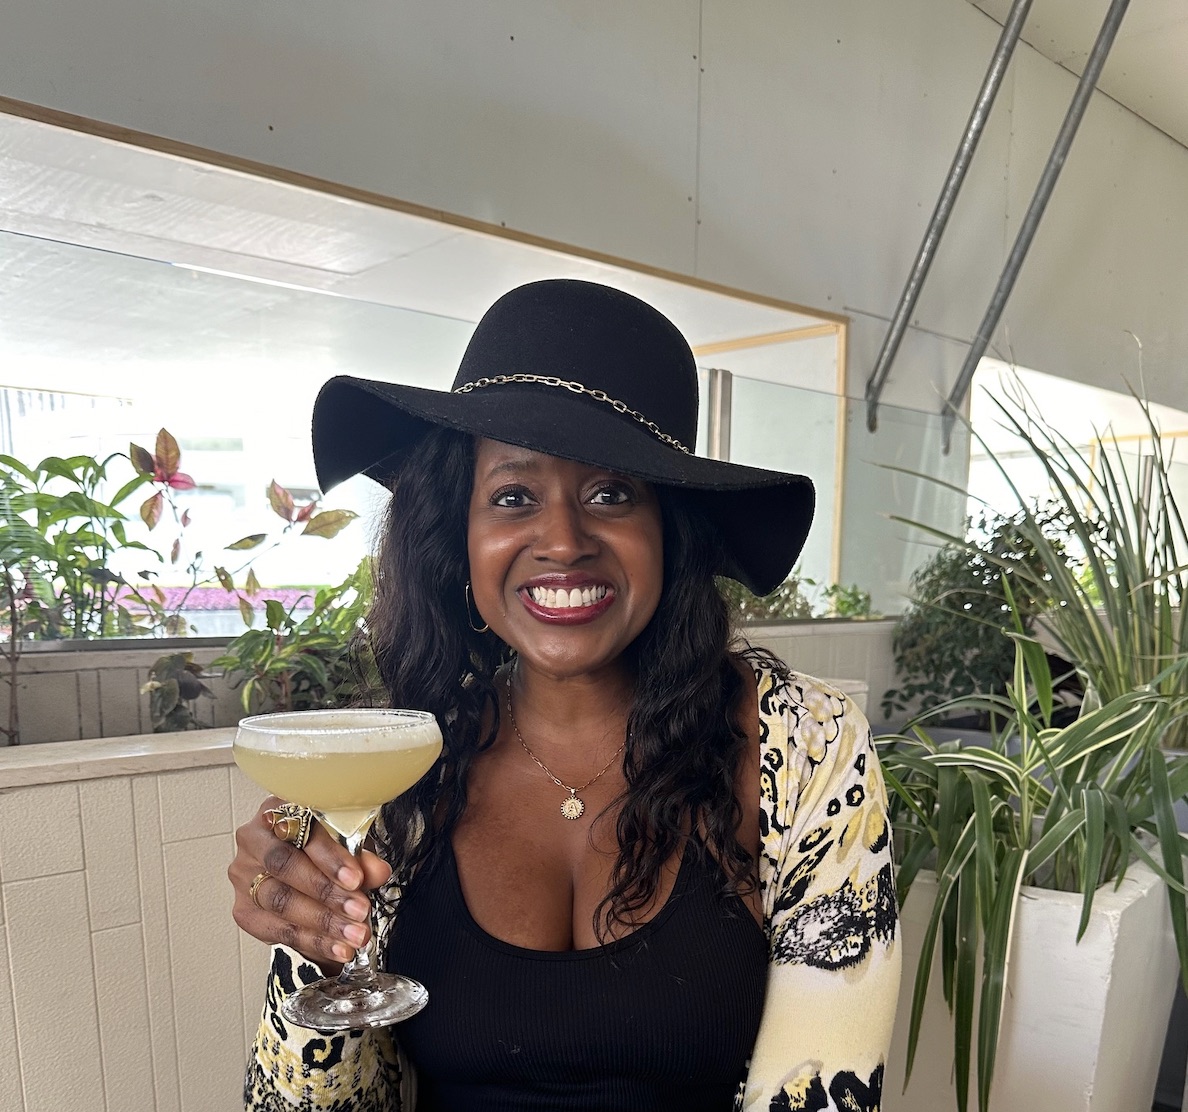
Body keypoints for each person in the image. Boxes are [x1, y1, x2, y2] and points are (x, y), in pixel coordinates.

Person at [229, 279, 900, 1112]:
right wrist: (323, 953)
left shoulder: (807, 748)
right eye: (513, 496)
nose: (562, 541)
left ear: (671, 530)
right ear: (458, 535)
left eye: (611, 493)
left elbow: (823, 1093)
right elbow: (296, 1106)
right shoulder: (402, 768)